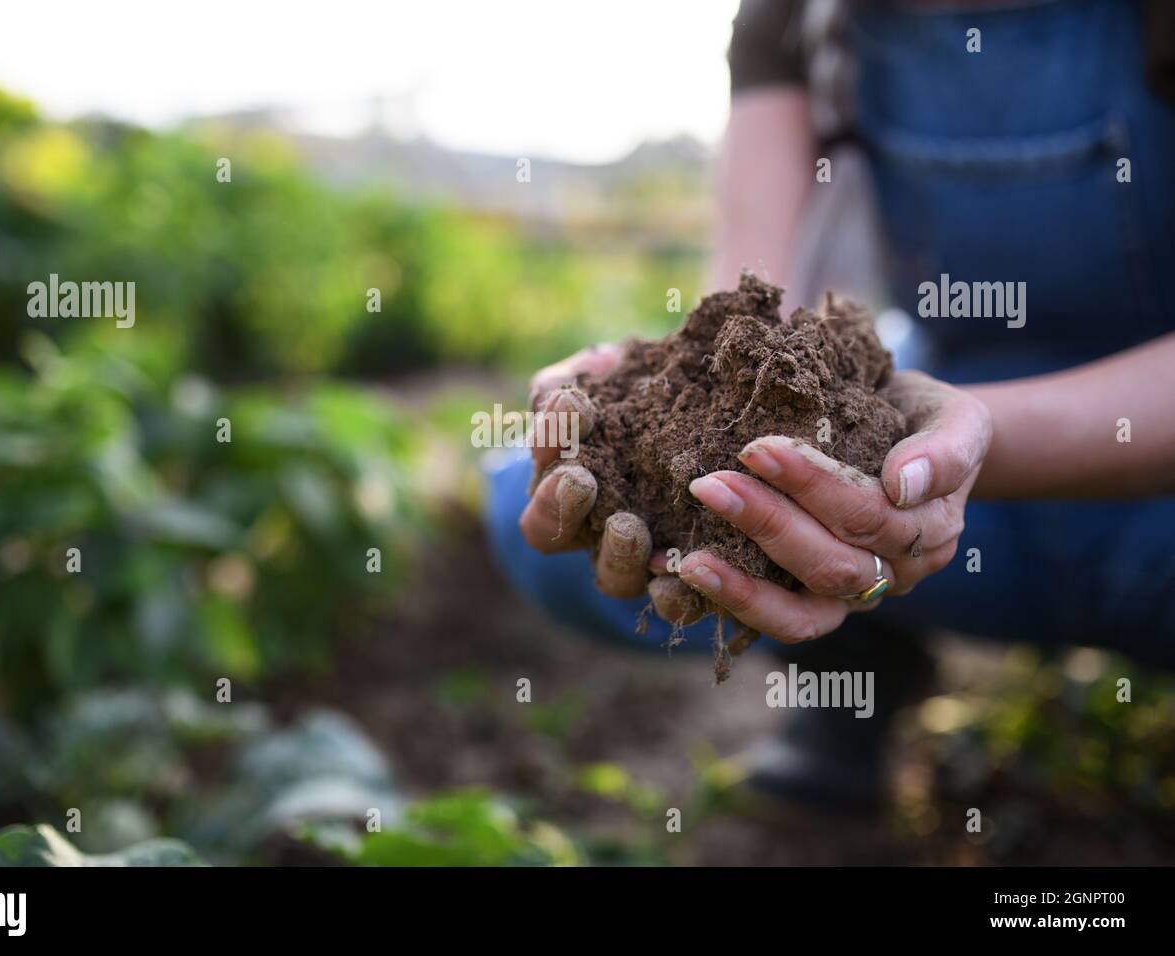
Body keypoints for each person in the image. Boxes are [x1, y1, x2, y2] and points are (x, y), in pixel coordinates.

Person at [483, 0, 1175, 807]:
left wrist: (957, 448)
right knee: (537, 502)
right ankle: (848, 658)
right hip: (955, 477)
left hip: (1142, 504)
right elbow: (747, 316)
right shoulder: (802, 16)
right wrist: (663, 408)